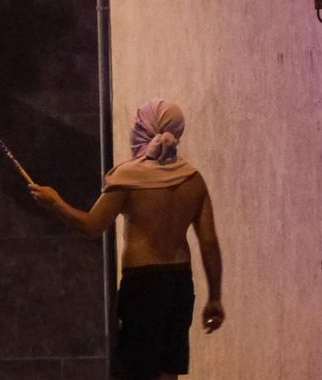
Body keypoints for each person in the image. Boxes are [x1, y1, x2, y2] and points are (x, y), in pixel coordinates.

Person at [28, 99, 225, 380]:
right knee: (168, 372)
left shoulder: (127, 177)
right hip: (180, 284)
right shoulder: (193, 180)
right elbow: (209, 243)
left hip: (143, 285)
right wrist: (215, 297)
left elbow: (92, 226)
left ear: (147, 129)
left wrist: (55, 202)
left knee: (134, 371)